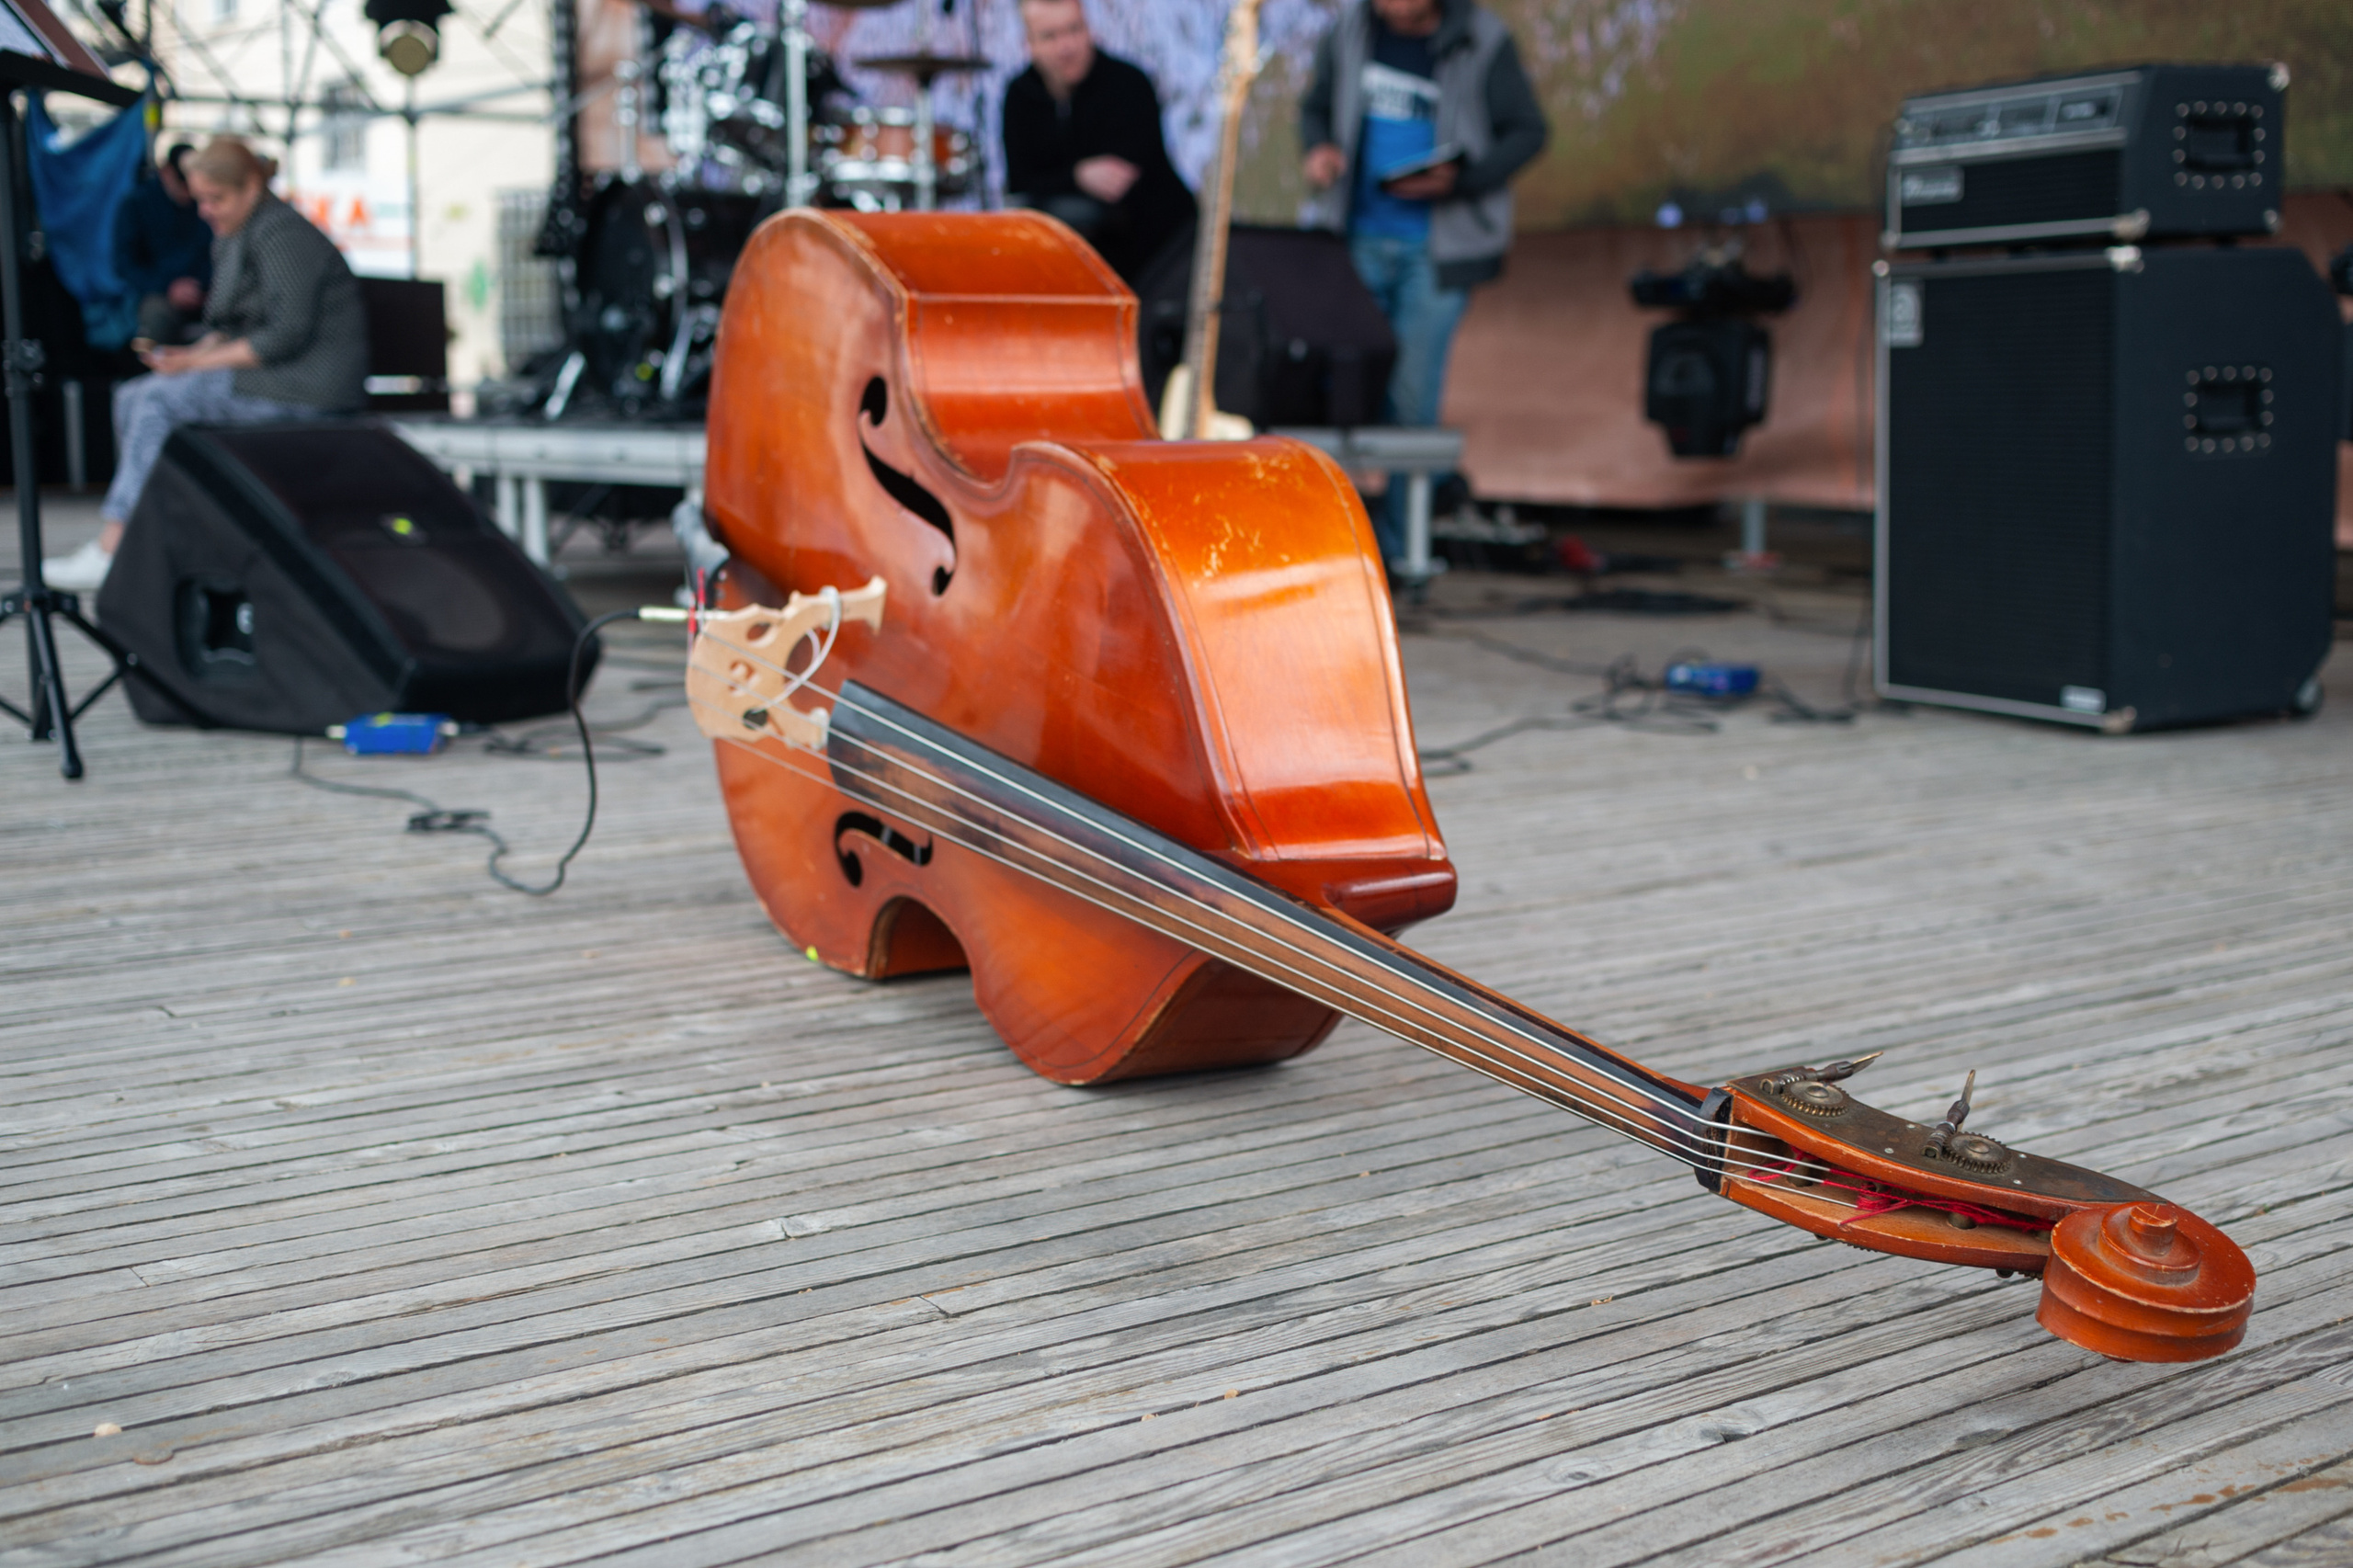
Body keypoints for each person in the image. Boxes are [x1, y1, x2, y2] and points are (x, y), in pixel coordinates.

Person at [45, 137, 369, 594]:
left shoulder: (283, 234)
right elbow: (237, 327)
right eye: (200, 199)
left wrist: (199, 364)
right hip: (272, 378)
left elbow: (284, 335)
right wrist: (190, 359)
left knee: (159, 400)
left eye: (216, 199)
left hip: (308, 388)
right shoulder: (241, 233)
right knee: (132, 394)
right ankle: (149, 537)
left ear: (251, 186)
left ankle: (115, 547)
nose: (205, 211)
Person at [1300, 0, 1547, 568]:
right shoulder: (1348, 33)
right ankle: (1334, 545)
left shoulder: (1482, 39)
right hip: (1355, 240)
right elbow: (1315, 109)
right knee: (1342, 386)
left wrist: (1462, 179)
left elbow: (1527, 131)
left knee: (1413, 394)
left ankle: (1402, 552)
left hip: (1435, 249)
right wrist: (1320, 149)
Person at [1001, 0, 1195, 284]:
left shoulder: (1128, 83)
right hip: (1071, 260)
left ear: (1089, 29)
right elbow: (1019, 184)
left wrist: (1057, 181)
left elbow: (1116, 182)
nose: (1066, 47)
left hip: (1160, 252)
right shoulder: (1020, 96)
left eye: (1073, 30)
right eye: (1050, 36)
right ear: (1028, 43)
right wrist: (1077, 176)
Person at [112, 142, 214, 347]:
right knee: (156, 318)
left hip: (206, 293)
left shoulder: (205, 203)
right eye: (183, 183)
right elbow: (125, 264)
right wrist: (167, 287)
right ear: (166, 172)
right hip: (159, 295)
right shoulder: (137, 205)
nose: (189, 192)